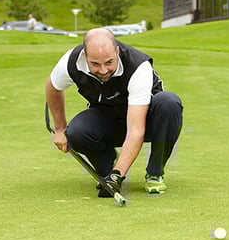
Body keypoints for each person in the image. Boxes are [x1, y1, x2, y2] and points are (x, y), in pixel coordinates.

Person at [45, 28, 183, 196]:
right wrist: (60, 128)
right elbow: (53, 86)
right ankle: (106, 171)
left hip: (147, 122)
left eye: (109, 62)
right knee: (76, 132)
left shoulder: (138, 67)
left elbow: (136, 130)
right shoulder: (71, 61)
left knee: (169, 103)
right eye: (95, 64)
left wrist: (118, 176)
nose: (103, 70)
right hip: (108, 120)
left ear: (117, 51)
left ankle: (154, 173)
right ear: (85, 56)